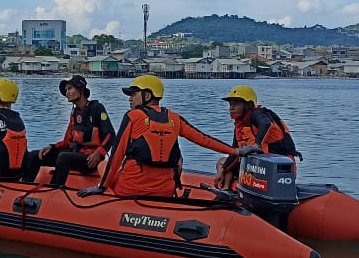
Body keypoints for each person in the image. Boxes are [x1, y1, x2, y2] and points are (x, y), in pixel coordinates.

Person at [81, 75, 241, 198]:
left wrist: (101, 187)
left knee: (103, 165)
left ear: (147, 96)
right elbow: (204, 140)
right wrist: (236, 152)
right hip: (165, 190)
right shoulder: (174, 118)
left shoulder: (133, 116)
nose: (130, 98)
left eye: (133, 94)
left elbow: (117, 154)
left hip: (131, 188)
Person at [22, 74, 116, 187]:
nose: (67, 92)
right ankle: (25, 187)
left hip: (90, 158)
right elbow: (67, 141)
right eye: (66, 89)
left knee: (64, 157)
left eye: (70, 88)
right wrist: (52, 147)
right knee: (34, 155)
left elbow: (110, 135)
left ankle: (54, 189)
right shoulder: (75, 113)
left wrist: (98, 154)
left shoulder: (97, 108)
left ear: (80, 88)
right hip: (75, 153)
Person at [213, 85, 302, 189]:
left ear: (248, 105)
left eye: (236, 104)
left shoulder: (258, 114)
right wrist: (222, 170)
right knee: (223, 163)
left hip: (276, 170)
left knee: (223, 163)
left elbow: (265, 123)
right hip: (258, 168)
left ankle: (228, 188)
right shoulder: (240, 125)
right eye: (230, 104)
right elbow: (234, 152)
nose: (231, 108)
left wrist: (257, 144)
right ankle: (226, 189)